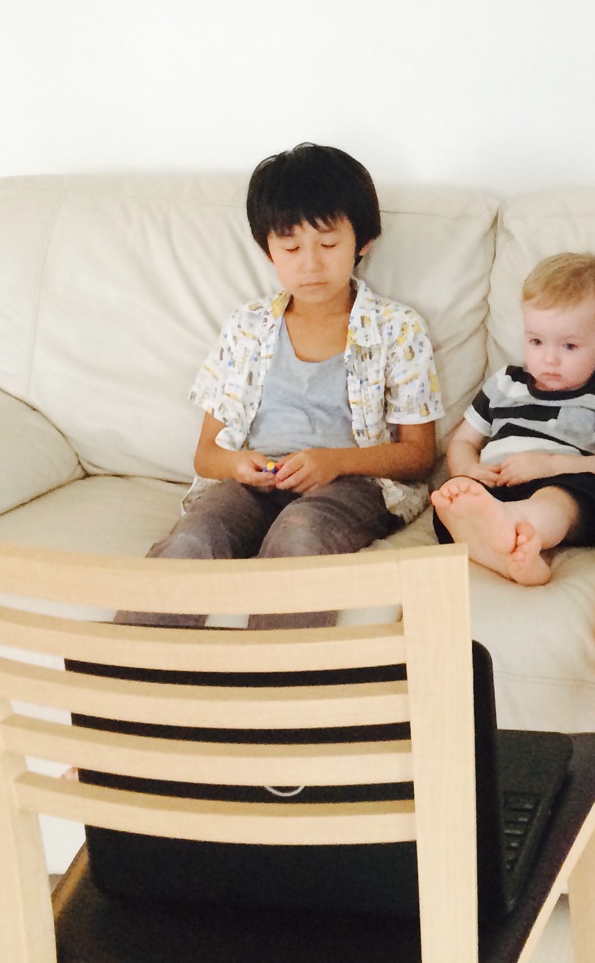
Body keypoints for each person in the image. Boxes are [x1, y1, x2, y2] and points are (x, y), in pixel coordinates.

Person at [130, 143, 442, 629]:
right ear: (268, 250)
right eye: (291, 248)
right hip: (254, 483)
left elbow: (419, 456)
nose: (310, 264)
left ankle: (277, 676)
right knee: (191, 541)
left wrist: (333, 462)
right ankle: (127, 674)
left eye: (328, 244)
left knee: (299, 535)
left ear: (363, 241)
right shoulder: (246, 327)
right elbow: (207, 456)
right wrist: (238, 465)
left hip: (351, 485)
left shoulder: (397, 328)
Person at [429, 252, 595, 585]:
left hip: (564, 484)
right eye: (536, 341)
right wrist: (468, 470)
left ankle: (513, 526)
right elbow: (462, 442)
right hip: (494, 488)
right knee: (452, 500)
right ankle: (511, 557)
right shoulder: (505, 382)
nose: (549, 359)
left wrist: (549, 465)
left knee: (557, 500)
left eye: (569, 346)